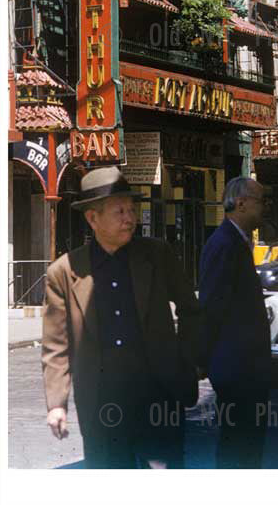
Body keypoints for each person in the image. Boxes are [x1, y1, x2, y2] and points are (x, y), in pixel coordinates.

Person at [41, 166, 201, 469]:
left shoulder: (157, 255)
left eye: (132, 208)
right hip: (101, 402)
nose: (131, 218)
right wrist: (56, 404)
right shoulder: (63, 272)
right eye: (120, 211)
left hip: (159, 395)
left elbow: (191, 310)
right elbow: (56, 346)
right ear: (93, 218)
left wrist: (186, 361)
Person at [197, 177, 272, 468]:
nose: (264, 207)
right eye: (260, 200)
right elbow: (212, 306)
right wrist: (203, 359)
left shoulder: (236, 242)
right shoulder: (225, 244)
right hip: (237, 368)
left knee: (246, 444)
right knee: (239, 446)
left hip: (245, 366)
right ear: (241, 203)